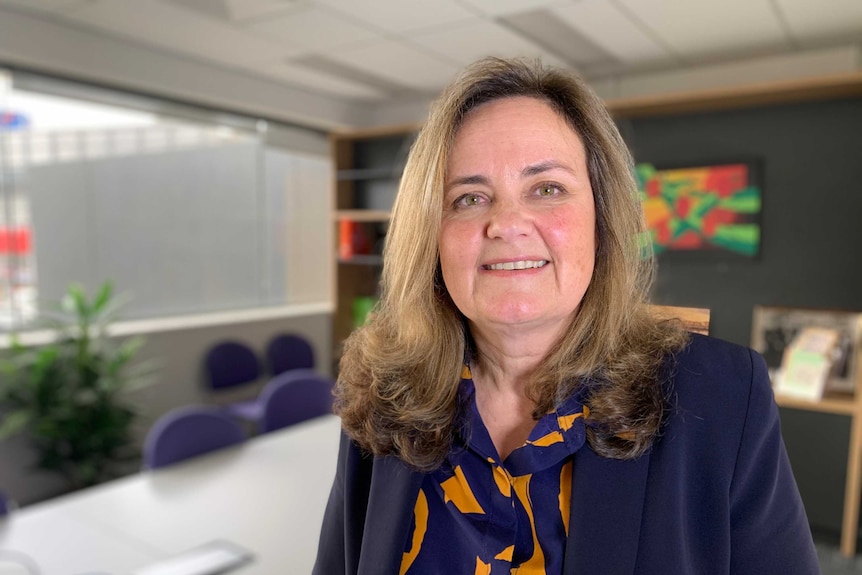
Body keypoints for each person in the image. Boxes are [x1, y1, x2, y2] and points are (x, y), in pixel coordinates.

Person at [314, 57, 819, 575]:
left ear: (602, 218)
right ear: (431, 236)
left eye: (547, 189)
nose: (506, 224)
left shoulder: (724, 398)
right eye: (468, 197)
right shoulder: (383, 395)